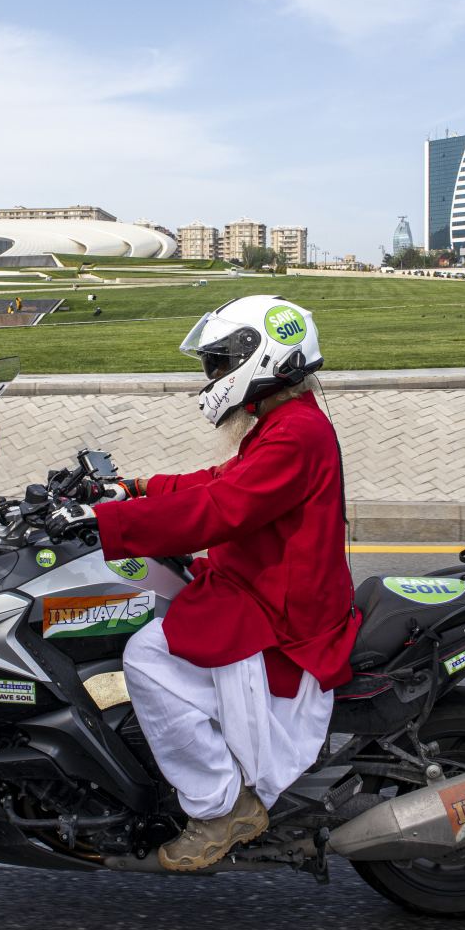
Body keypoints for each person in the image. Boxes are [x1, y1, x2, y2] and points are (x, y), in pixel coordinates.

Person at [47, 295, 359, 871]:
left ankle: (220, 806)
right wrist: (134, 490)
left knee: (145, 654)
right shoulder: (288, 421)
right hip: (263, 588)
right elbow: (219, 482)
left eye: (218, 363)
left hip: (279, 611)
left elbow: (222, 508)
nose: (211, 376)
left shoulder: (295, 435)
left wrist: (109, 523)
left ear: (261, 360)